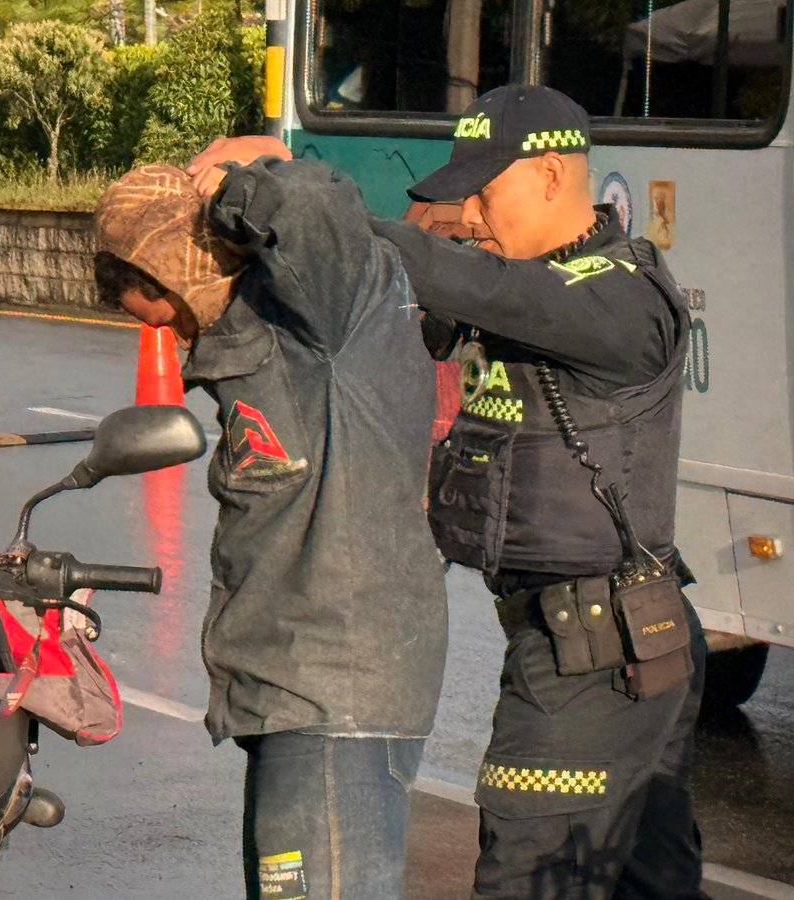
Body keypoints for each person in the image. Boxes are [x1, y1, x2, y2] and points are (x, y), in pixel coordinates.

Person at [190, 84, 705, 899]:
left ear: (548, 177)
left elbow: (466, 284)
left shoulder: (616, 295)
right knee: (648, 882)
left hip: (601, 653)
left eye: (487, 189)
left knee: (528, 873)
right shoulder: (533, 287)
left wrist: (295, 200)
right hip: (584, 638)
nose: (473, 210)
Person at [93, 162, 448, 899]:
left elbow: (320, 204)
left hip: (336, 698)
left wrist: (231, 182)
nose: (179, 340)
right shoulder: (264, 343)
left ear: (176, 268)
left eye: (167, 318)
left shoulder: (325, 320)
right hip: (297, 698)